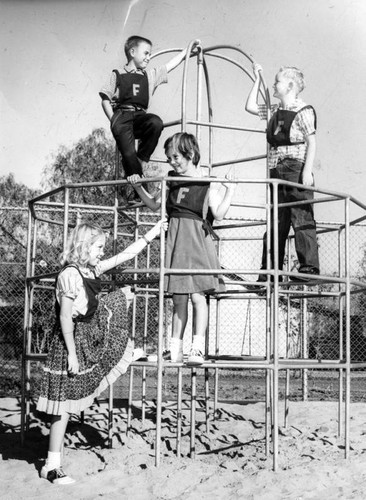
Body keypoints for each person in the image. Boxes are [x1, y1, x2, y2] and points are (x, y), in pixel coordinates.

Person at [37, 218, 166, 485]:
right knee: (61, 407)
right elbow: (64, 318)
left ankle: (127, 352)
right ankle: (51, 465)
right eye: (98, 247)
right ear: (85, 247)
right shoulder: (70, 274)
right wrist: (71, 354)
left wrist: (153, 232)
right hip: (68, 342)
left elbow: (124, 255)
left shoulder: (91, 271)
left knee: (115, 298)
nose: (102, 252)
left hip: (86, 336)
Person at [130, 132, 236, 365]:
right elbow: (155, 204)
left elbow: (218, 213)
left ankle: (197, 349)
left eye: (176, 157)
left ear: (191, 154)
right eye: (169, 158)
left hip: (197, 241)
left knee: (198, 296)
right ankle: (174, 348)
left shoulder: (206, 182)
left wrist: (230, 190)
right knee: (178, 298)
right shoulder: (170, 180)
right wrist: (139, 187)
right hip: (177, 241)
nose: (172, 162)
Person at [99, 36, 200, 202]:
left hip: (140, 117)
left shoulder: (149, 76)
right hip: (122, 117)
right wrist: (113, 120)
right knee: (128, 153)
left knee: (156, 122)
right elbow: (105, 98)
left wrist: (186, 51)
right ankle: (139, 192)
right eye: (145, 53)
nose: (148, 57)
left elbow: (170, 65)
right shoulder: (117, 74)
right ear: (132, 52)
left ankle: (140, 160)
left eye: (150, 54)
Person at [245, 63, 320, 282]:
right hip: (276, 170)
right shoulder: (274, 111)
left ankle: (309, 268)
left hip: (295, 168)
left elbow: (311, 143)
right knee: (276, 221)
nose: (274, 84)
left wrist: (307, 171)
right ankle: (270, 271)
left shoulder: (302, 110)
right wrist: (256, 80)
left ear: (289, 85)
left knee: (301, 215)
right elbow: (249, 106)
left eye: (277, 81)